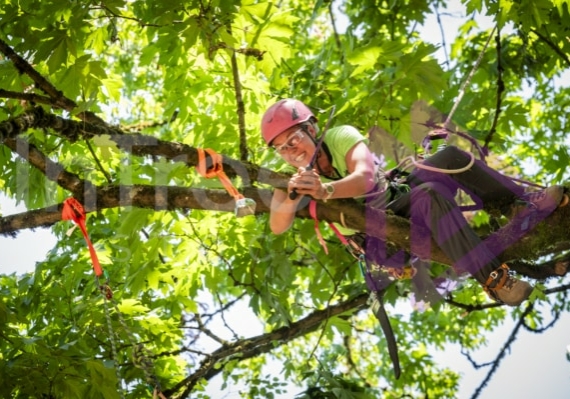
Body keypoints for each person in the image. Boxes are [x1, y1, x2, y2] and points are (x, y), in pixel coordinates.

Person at [261, 98, 566, 306]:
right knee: (430, 195)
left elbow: (366, 177)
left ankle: (516, 205)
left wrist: (324, 190)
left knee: (448, 157)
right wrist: (291, 195)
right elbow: (277, 225)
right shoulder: (289, 176)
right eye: (281, 148)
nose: (290, 151)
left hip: (396, 200)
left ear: (312, 129)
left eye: (294, 139)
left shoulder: (340, 136)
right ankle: (495, 281)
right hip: (379, 238)